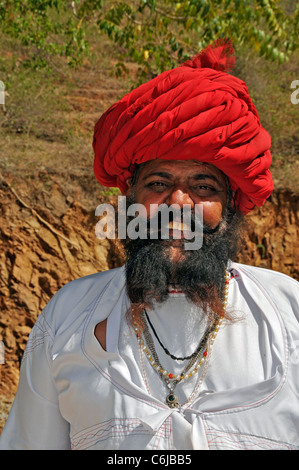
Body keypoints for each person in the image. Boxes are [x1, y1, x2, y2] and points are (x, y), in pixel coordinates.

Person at [0, 39, 298, 451]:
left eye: (203, 185)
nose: (178, 203)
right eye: (158, 184)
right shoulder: (68, 317)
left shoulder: (289, 316)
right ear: (131, 200)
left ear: (231, 205)